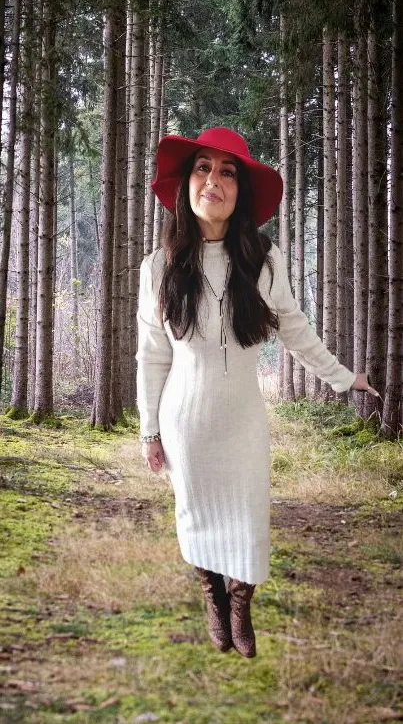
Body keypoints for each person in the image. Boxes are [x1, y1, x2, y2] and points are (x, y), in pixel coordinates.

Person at [136, 127, 378, 659]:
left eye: (227, 172)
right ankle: (212, 596)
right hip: (186, 422)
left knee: (247, 517)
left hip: (242, 419)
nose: (214, 181)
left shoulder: (265, 261)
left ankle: (241, 605)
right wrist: (149, 429)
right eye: (203, 168)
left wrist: (345, 377)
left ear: (241, 191)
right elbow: (152, 356)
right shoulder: (157, 268)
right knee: (195, 513)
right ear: (186, 185)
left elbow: (294, 329)